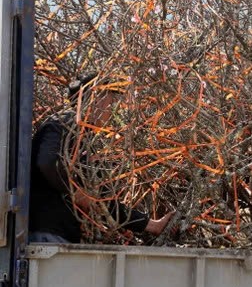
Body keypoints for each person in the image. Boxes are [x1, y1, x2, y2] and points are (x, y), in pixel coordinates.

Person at [29, 73, 174, 243]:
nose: (113, 110)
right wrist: (75, 191)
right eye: (111, 101)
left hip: (62, 234)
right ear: (95, 97)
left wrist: (150, 225)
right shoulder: (63, 122)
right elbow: (47, 163)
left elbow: (101, 199)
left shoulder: (84, 138)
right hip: (48, 235)